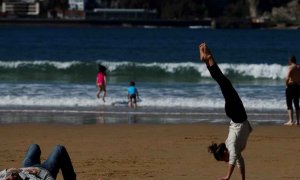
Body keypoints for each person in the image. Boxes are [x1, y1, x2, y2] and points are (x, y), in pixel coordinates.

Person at [199, 43, 252, 180]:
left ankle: (207, 56)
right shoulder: (233, 148)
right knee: (223, 82)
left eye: (224, 160)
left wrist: (228, 176)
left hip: (237, 115)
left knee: (223, 83)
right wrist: (243, 179)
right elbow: (240, 161)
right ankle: (207, 56)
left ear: (224, 153)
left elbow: (233, 158)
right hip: (237, 115)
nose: (226, 161)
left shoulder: (231, 145)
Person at [0, 144, 76, 180]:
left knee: (34, 146)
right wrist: (39, 173)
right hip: (46, 171)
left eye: (7, 178)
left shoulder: (7, 175)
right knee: (59, 149)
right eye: (10, 178)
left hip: (27, 167)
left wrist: (7, 171)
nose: (10, 175)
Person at [284, 55, 300, 125]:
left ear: (290, 60)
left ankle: (291, 121)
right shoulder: (299, 67)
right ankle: (298, 121)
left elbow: (287, 78)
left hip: (291, 86)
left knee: (289, 103)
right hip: (297, 86)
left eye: (289, 60)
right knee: (297, 104)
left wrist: (286, 85)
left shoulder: (291, 67)